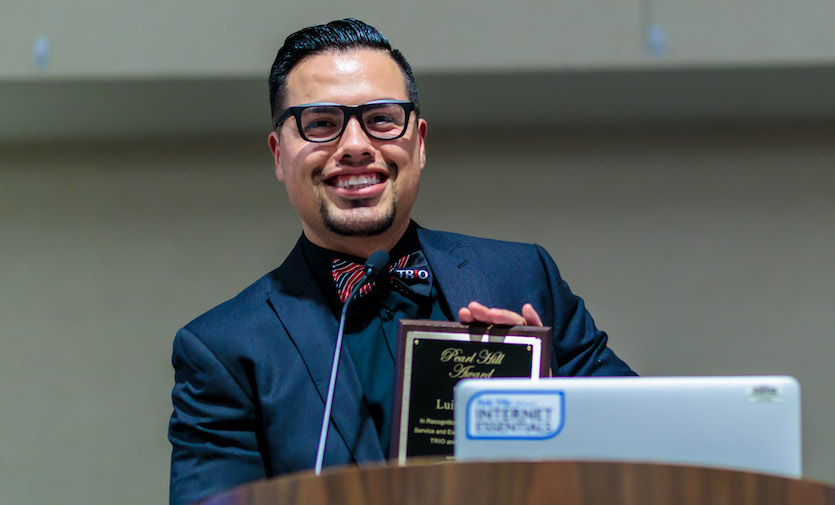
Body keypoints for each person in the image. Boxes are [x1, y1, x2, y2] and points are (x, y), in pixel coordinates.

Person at [168, 18, 635, 505]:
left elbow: (641, 440)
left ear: (420, 142)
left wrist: (546, 396)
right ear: (280, 154)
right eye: (321, 123)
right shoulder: (221, 348)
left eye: (382, 119)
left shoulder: (521, 277)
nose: (354, 146)